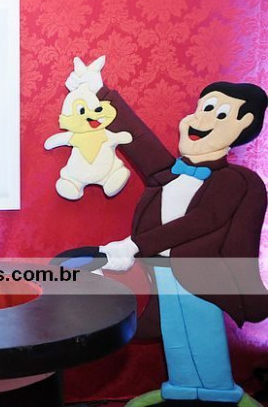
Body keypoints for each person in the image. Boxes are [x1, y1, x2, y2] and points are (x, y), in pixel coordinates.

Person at [67, 59, 268, 407]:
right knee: (174, 330)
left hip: (200, 274)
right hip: (163, 271)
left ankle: (222, 393)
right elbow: (139, 140)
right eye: (204, 108)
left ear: (244, 124)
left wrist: (133, 245)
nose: (202, 119)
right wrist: (100, 91)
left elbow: (202, 221)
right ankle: (181, 387)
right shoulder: (171, 173)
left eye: (220, 113)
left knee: (202, 332)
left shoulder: (235, 180)